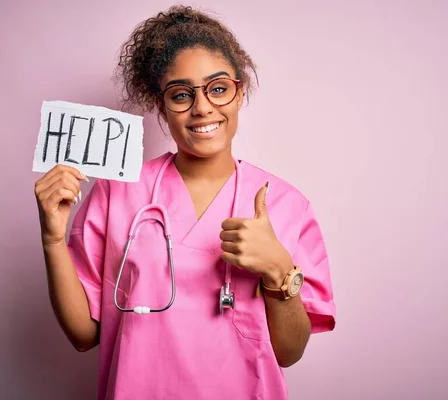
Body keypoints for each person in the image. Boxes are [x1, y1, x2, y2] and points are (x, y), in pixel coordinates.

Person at [34, 5, 336, 399]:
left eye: (218, 88)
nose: (203, 107)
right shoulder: (117, 192)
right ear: (161, 105)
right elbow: (83, 335)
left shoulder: (286, 205)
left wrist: (279, 270)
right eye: (181, 94)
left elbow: (289, 352)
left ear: (239, 92)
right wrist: (52, 242)